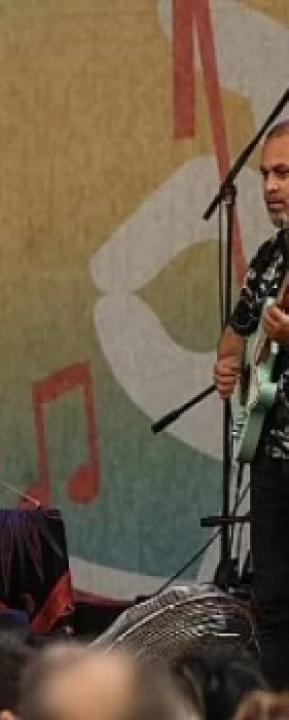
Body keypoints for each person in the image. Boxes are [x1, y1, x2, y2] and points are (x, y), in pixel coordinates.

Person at [214, 119, 289, 690]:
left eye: (283, 172)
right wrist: (229, 364)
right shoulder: (269, 258)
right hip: (271, 459)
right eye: (265, 174)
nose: (269, 186)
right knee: (274, 604)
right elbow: (236, 331)